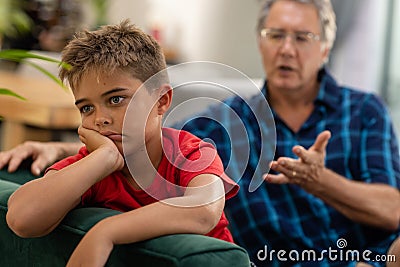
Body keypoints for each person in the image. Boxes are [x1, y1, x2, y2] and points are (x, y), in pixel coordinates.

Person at [1, 0, 399, 266]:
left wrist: (322, 181)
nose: (287, 49)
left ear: (326, 48)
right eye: (275, 35)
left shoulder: (362, 110)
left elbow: (393, 210)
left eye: (302, 37)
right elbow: (149, 141)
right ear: (261, 44)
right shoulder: (222, 120)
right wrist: (60, 147)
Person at [4, 20, 239, 267]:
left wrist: (106, 232)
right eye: (86, 108)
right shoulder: (93, 165)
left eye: (116, 99)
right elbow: (22, 218)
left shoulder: (190, 153)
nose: (100, 119)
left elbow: (204, 210)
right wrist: (104, 157)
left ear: (161, 101)